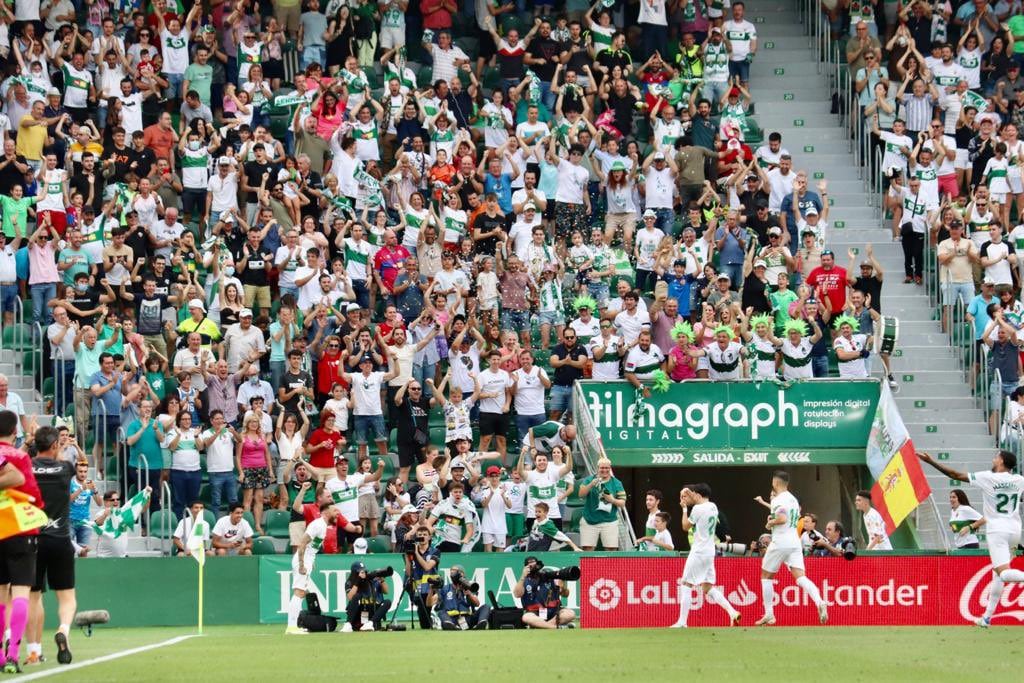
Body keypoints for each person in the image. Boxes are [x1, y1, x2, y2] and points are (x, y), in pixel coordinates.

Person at [918, 449, 1024, 627]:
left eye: (996, 456)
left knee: (1004, 574)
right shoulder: (1019, 480)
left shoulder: (988, 478)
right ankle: (986, 617)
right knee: (996, 574)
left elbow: (954, 475)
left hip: (997, 531)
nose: (993, 459)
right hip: (1014, 530)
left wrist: (931, 462)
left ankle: (986, 618)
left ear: (1002, 462)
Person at [28, 426, 77, 666]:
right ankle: (63, 631)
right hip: (60, 540)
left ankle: (34, 651)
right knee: (67, 598)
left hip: (33, 540)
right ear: (56, 445)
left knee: (33, 597)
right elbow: (64, 462)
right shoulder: (66, 468)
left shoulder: (27, 467)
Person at [756, 470, 828, 626]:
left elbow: (782, 518)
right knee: (801, 577)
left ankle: (769, 614)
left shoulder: (778, 499)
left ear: (775, 483)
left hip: (780, 541)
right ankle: (820, 601)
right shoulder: (793, 499)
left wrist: (770, 523)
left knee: (765, 576)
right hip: (794, 542)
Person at [0, 410, 42, 673]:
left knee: (0, 597)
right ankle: (13, 654)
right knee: (21, 594)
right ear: (15, 431)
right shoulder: (21, 457)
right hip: (21, 529)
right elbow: (35, 496)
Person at [671, 484, 741, 628]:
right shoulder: (713, 507)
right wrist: (687, 493)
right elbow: (696, 500)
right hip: (710, 551)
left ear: (697, 495)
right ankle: (732, 612)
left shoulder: (697, 509)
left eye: (693, 495)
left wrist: (684, 508)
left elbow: (685, 526)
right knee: (707, 587)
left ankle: (682, 622)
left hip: (699, 550)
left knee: (686, 583)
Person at [286, 502, 357, 634]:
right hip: (303, 560)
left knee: (300, 593)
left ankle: (292, 626)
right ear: (325, 512)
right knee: (299, 592)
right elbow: (302, 544)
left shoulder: (323, 526)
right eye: (334, 510)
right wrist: (302, 564)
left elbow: (311, 547)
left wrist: (311, 560)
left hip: (307, 559)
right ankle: (291, 627)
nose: (338, 513)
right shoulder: (317, 525)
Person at [576, 457, 626, 550]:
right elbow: (580, 494)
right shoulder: (589, 480)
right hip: (589, 520)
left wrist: (612, 500)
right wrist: (591, 485)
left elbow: (622, 503)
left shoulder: (616, 483)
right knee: (587, 549)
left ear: (610, 468)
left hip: (609, 521)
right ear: (597, 468)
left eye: (607, 468)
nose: (604, 470)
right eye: (602, 468)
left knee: (611, 550)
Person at [514, 555, 576, 629]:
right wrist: (523, 576)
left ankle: (543, 625)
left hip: (553, 612)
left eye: (534, 563)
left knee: (570, 613)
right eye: (530, 565)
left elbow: (565, 594)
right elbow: (517, 594)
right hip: (534, 612)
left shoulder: (548, 576)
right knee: (526, 617)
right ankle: (554, 627)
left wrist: (563, 587)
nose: (533, 566)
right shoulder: (525, 580)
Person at [435, 564, 489, 630]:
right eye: (451, 570)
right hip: (452, 619)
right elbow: (432, 604)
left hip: (467, 618)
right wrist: (432, 590)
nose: (452, 572)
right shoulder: (445, 588)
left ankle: (481, 624)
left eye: (454, 570)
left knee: (486, 607)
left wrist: (469, 594)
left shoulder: (469, 586)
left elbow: (477, 603)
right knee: (441, 612)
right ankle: (450, 625)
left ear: (462, 574)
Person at [343, 561, 392, 632]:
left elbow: (386, 591)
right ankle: (348, 624)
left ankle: (370, 623)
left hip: (371, 609)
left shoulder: (370, 580)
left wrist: (382, 580)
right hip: (359, 610)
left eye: (364, 572)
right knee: (356, 596)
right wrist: (358, 581)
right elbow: (350, 597)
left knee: (387, 602)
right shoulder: (350, 582)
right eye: (361, 572)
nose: (364, 574)